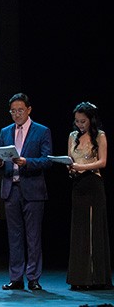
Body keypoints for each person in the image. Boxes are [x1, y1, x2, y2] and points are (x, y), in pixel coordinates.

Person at [0, 93, 52, 291]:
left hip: (33, 190)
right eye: (13, 111)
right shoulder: (5, 131)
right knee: (14, 236)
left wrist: (27, 162)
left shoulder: (41, 131)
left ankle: (33, 277)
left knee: (33, 236)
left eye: (20, 110)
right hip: (11, 189)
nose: (16, 114)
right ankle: (16, 277)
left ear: (29, 110)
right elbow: (2, 161)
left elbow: (47, 160)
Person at [66, 101, 111, 290]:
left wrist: (81, 167)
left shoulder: (100, 135)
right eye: (77, 121)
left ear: (91, 120)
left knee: (93, 229)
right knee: (79, 230)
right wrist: (71, 168)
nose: (80, 125)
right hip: (78, 185)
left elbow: (103, 162)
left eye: (83, 121)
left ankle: (95, 278)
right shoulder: (72, 136)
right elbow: (70, 160)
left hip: (93, 183)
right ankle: (79, 278)